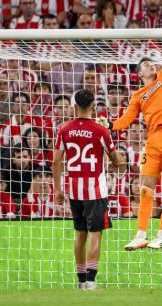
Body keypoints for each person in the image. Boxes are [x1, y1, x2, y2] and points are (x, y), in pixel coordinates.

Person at [97, 0, 162, 251]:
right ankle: (141, 234)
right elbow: (125, 121)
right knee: (145, 189)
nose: (151, 64)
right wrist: (109, 125)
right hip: (153, 140)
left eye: (151, 62)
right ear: (139, 74)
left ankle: (161, 236)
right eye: (146, 64)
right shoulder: (137, 96)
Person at [53, 89, 123, 290]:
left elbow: (57, 160)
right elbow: (116, 160)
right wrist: (115, 162)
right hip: (95, 190)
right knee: (95, 234)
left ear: (74, 106)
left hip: (73, 190)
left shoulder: (64, 129)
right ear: (94, 106)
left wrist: (57, 189)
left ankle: (81, 281)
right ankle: (91, 281)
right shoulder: (101, 130)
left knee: (79, 234)